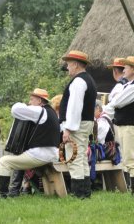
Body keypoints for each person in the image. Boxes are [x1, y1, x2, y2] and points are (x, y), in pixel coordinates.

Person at [0, 88, 60, 198]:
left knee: (4, 161)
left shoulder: (39, 110)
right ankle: (14, 191)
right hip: (52, 154)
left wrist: (22, 104)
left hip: (40, 155)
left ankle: (1, 195)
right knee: (19, 158)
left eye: (31, 100)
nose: (29, 103)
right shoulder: (51, 112)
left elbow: (15, 110)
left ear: (40, 101)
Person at [103, 56, 134, 196]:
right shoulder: (130, 84)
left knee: (132, 160)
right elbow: (114, 100)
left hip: (132, 126)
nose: (124, 70)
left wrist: (106, 109)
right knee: (128, 159)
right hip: (127, 126)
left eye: (127, 67)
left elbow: (117, 101)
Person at [59, 50, 97, 198]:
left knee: (74, 158)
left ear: (75, 64)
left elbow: (74, 108)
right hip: (85, 123)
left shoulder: (78, 82)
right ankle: (85, 193)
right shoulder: (88, 80)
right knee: (80, 157)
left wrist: (68, 128)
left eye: (68, 64)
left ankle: (79, 194)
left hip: (77, 125)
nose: (67, 67)